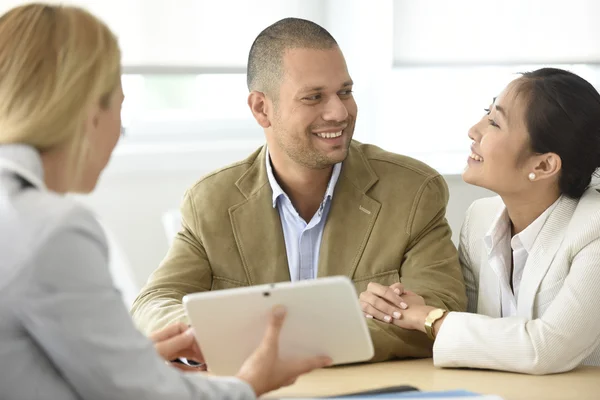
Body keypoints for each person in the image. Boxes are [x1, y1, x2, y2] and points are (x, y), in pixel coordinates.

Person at [0, 4, 331, 399]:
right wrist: (248, 384)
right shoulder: (54, 229)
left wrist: (132, 362)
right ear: (90, 113)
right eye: (119, 109)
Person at [131, 17, 467, 363]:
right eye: (313, 97)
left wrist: (268, 343)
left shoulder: (412, 192)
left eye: (345, 92)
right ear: (262, 109)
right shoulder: (212, 201)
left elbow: (439, 313)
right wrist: (214, 336)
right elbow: (154, 303)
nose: (339, 112)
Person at [359, 67, 600, 375]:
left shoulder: (593, 227)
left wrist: (429, 318)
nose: (474, 130)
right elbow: (473, 332)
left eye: (495, 123)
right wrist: (405, 307)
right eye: (486, 113)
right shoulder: (480, 218)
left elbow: (547, 348)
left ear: (543, 165)